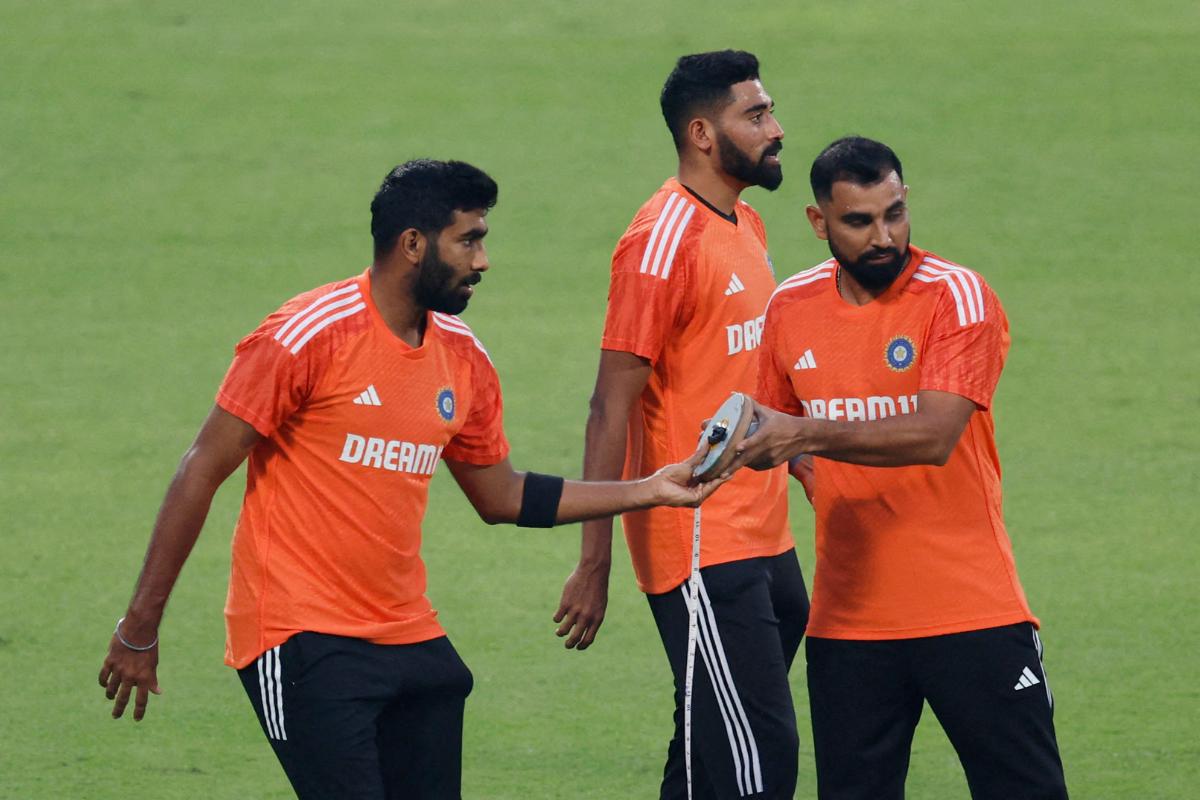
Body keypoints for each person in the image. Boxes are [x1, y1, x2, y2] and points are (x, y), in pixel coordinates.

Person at [97, 159, 726, 800]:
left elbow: (501, 495)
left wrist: (648, 488)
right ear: (413, 245)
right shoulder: (308, 335)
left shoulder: (462, 355)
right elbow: (200, 470)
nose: (483, 260)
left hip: (409, 635)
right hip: (299, 635)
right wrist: (139, 628)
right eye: (469, 239)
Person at [731, 136, 1069, 799]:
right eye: (859, 221)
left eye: (894, 213)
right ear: (818, 221)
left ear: (906, 200)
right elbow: (770, 424)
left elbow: (934, 434)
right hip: (848, 623)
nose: (883, 236)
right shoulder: (791, 307)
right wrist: (800, 457)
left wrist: (808, 433)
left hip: (973, 612)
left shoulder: (957, 297)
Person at [553, 51, 808, 800]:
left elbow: (750, 375)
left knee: (711, 748)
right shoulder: (660, 243)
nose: (776, 129)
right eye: (755, 116)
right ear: (702, 132)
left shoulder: (747, 224)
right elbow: (609, 406)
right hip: (698, 542)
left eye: (769, 111)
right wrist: (594, 562)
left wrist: (806, 462)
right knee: (761, 760)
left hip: (766, 533)